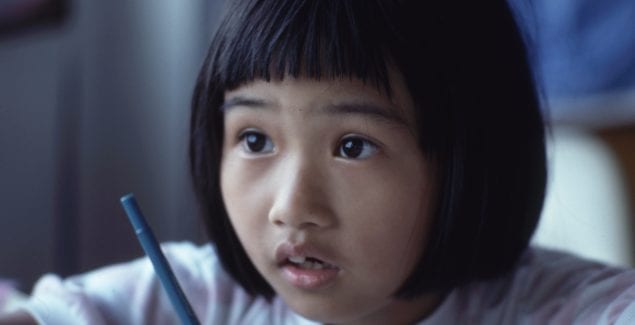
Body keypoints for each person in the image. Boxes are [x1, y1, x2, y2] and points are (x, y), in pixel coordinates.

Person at [2, 0, 635, 323]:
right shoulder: (205, 296)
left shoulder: (560, 308)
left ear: (470, 159)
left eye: (352, 146)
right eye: (255, 140)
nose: (290, 207)